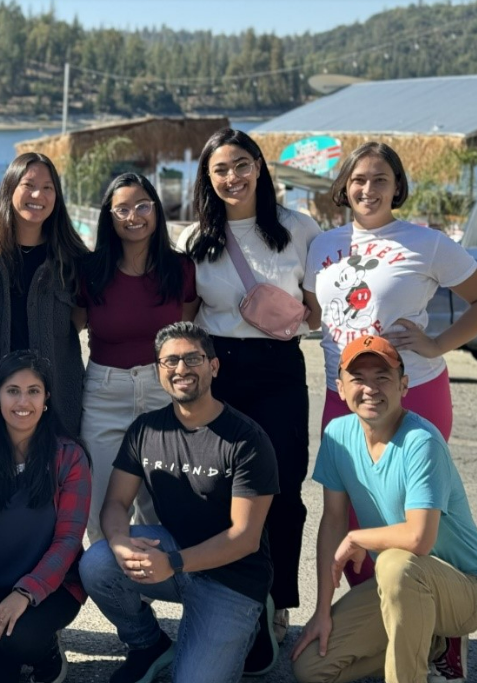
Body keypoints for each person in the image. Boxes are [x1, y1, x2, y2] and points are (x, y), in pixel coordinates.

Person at [303, 142, 477, 681]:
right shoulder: (322, 245)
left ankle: (445, 629)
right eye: (358, 179)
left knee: (415, 515)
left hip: (415, 388)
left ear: (397, 186)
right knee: (358, 516)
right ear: (344, 186)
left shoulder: (426, 243)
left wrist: (438, 344)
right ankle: (391, 624)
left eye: (380, 179)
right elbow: (314, 312)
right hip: (344, 390)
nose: (368, 189)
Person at [79, 322, 279, 683]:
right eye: (170, 361)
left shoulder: (246, 439)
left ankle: (251, 618)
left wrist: (172, 562)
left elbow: (245, 537)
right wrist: (121, 542)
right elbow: (115, 504)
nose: (181, 369)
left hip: (232, 577)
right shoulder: (146, 429)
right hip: (173, 557)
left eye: (192, 359)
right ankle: (148, 644)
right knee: (98, 563)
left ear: (213, 367)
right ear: (159, 370)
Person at [181, 128, 321, 643]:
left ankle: (279, 601)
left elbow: (317, 313)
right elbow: (187, 319)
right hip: (220, 370)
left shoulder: (299, 228)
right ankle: (229, 597)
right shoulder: (194, 239)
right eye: (220, 169)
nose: (232, 177)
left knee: (283, 489)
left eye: (241, 165)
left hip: (280, 367)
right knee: (219, 490)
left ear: (259, 167)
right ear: (208, 178)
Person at [291, 335, 477, 683]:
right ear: (340, 388)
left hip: (465, 588)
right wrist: (321, 611)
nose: (370, 388)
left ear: (403, 385)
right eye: (358, 378)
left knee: (394, 563)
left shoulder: (421, 442)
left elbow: (419, 539)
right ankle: (436, 646)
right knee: (311, 668)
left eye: (382, 377)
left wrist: (359, 537)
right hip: (407, 584)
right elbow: (332, 521)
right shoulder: (337, 435)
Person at [0, 350, 91, 683]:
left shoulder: (69, 457)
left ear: (47, 399)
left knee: (20, 639)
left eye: (34, 391)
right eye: (13, 391)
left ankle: (48, 657)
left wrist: (25, 593)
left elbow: (68, 541)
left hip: (51, 588)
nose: (23, 401)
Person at [78, 172, 198, 540]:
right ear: (109, 218)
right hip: (104, 393)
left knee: (163, 510)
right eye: (122, 209)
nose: (134, 216)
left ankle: (154, 589)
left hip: (162, 389)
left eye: (143, 206)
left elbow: (187, 323)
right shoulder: (90, 271)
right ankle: (120, 598)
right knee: (100, 516)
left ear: (157, 210)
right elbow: (75, 324)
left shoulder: (179, 269)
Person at [0, 152, 89, 437]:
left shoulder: (72, 256)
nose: (39, 195)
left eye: (48, 188)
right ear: (10, 188)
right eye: (29, 185)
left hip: (55, 402)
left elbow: (79, 319)